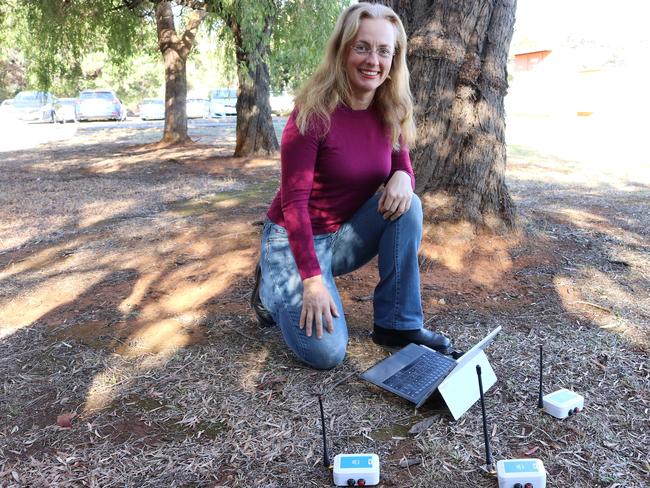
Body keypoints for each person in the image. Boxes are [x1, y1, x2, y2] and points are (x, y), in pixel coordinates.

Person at [250, 2, 454, 370]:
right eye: (361, 46)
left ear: (395, 57)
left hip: (341, 237)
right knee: (326, 353)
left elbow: (403, 166)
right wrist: (312, 282)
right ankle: (270, 288)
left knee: (411, 206)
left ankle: (397, 325)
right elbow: (294, 204)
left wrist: (403, 176)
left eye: (383, 50)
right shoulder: (312, 113)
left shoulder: (390, 108)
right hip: (292, 241)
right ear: (342, 50)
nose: (372, 60)